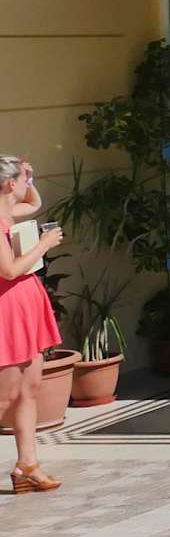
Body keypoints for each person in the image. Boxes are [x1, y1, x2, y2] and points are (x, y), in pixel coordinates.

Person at [0, 155, 64, 493]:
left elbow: (34, 203)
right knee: (6, 396)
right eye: (22, 180)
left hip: (23, 306)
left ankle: (27, 465)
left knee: (29, 388)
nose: (27, 186)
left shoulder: (9, 210)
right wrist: (44, 243)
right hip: (6, 310)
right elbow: (8, 270)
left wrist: (29, 177)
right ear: (10, 184)